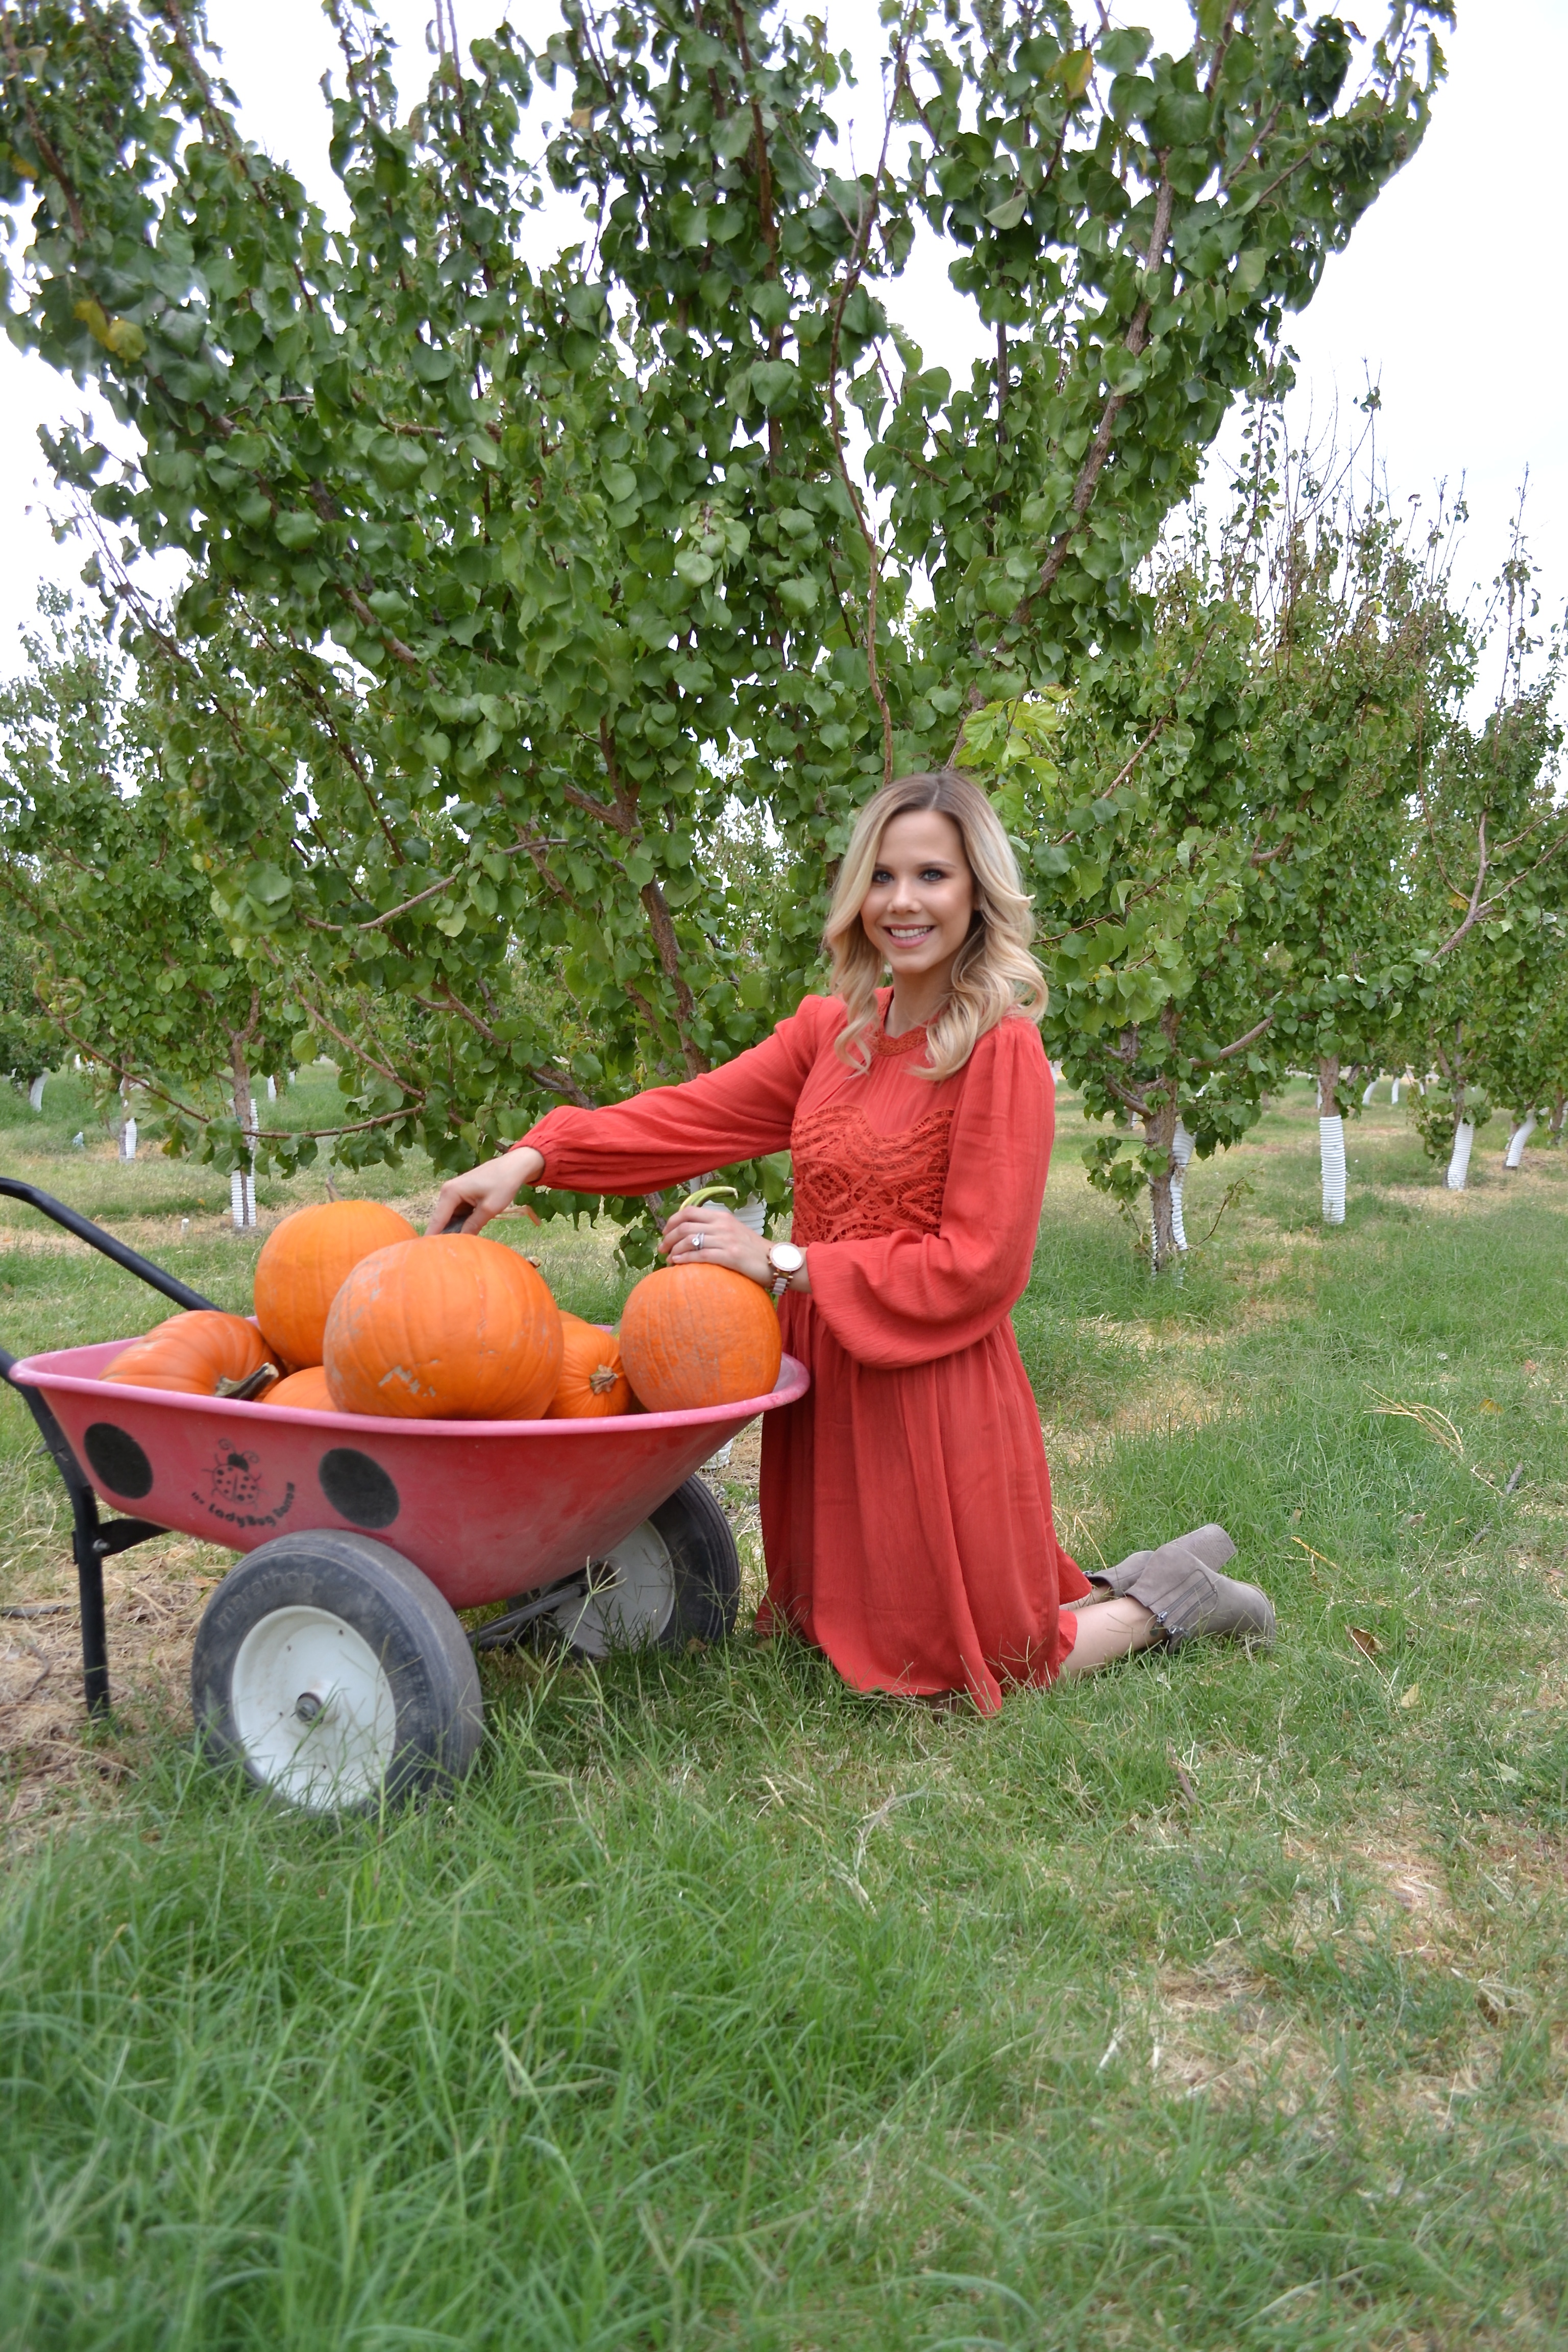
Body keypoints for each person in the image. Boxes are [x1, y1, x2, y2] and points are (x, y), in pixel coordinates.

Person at [430, 770, 1275, 1709]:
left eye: (932, 876)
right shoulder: (830, 1035)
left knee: (982, 1665)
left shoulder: (1001, 1050)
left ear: (977, 894)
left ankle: (1170, 1599)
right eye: (881, 876)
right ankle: (1150, 1578)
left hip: (930, 1383)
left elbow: (983, 1263)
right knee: (834, 1641)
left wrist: (784, 1262)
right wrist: (534, 1157)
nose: (902, 902)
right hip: (831, 1386)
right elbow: (690, 1117)